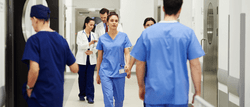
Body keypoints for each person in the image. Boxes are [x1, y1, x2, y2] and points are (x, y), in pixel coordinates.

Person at [130, 0, 205, 107]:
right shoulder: (187, 33)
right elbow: (195, 65)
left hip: (153, 94)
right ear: (180, 10)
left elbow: (140, 63)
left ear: (163, 8)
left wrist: (141, 87)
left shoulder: (147, 33)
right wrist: (197, 92)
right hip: (179, 95)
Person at [21, 4, 79, 107]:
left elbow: (34, 69)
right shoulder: (62, 40)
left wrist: (29, 88)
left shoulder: (34, 40)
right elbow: (74, 68)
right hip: (57, 95)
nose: (32, 24)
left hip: (40, 95)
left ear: (35, 19)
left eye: (31, 21)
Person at [96, 12, 132, 107]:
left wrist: (128, 64)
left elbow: (127, 53)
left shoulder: (124, 36)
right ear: (107, 22)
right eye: (111, 20)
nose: (114, 23)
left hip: (119, 71)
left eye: (116, 21)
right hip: (105, 72)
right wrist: (98, 74)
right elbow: (99, 57)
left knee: (119, 99)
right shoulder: (102, 38)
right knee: (108, 98)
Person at [75, 17, 98, 104]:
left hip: (91, 60)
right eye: (90, 24)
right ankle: (81, 94)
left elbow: (97, 46)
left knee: (90, 79)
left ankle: (90, 96)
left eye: (93, 25)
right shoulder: (80, 34)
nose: (92, 26)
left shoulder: (94, 35)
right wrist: (89, 44)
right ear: (86, 24)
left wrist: (92, 51)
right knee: (82, 78)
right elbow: (80, 46)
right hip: (81, 60)